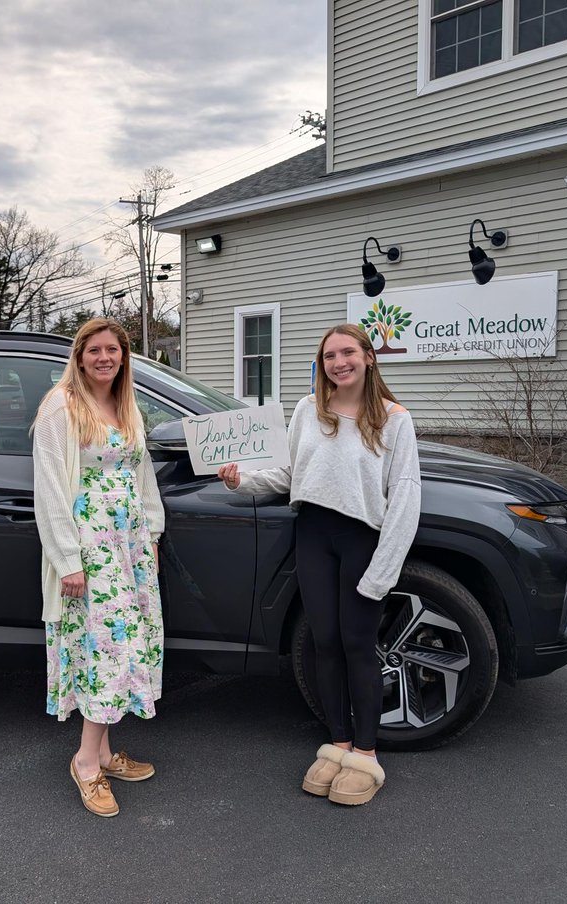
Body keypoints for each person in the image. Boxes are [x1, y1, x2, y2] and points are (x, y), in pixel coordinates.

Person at [218, 323, 420, 806]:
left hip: (361, 540)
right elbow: (290, 473)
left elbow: (405, 498)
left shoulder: (395, 420)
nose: (338, 363)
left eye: (347, 353)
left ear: (368, 357)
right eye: (329, 356)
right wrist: (240, 482)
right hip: (312, 534)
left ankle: (366, 755)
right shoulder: (309, 409)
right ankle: (339, 744)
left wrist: (383, 571)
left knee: (358, 645)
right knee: (324, 643)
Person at [32, 317, 165, 818]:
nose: (104, 358)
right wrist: (67, 560)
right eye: (95, 350)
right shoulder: (61, 406)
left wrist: (151, 534)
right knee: (105, 649)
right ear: (80, 356)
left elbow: (141, 473)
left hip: (128, 548)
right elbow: (49, 487)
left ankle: (105, 754)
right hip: (90, 550)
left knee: (121, 643)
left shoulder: (125, 404)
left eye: (113, 350)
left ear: (123, 356)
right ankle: (86, 763)